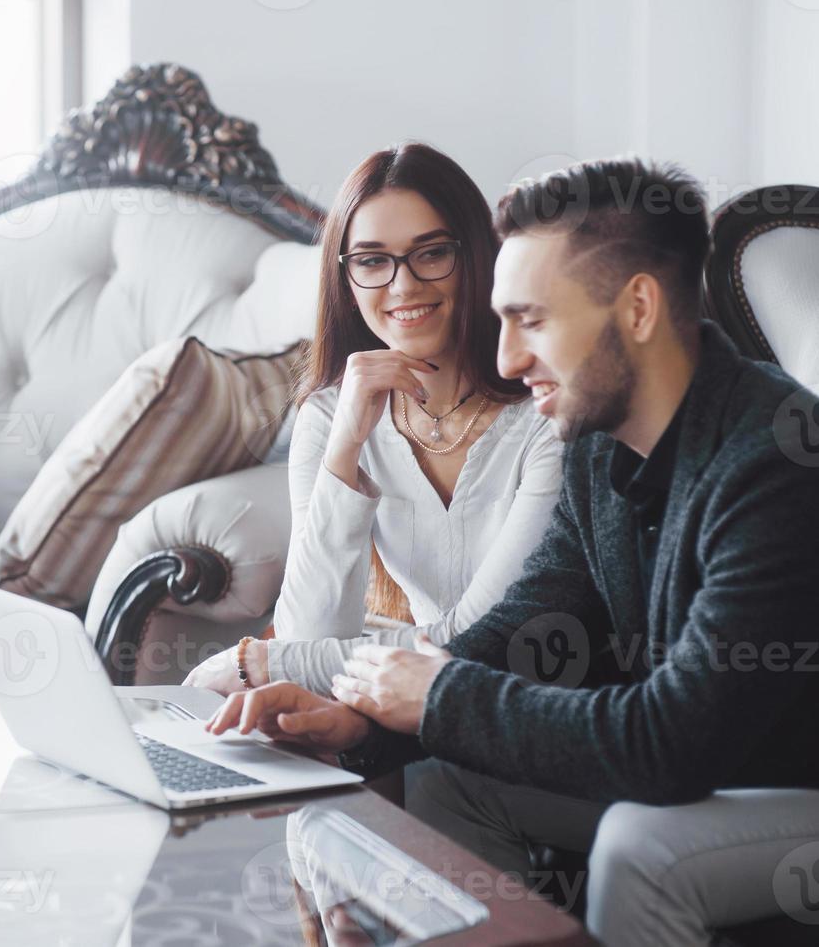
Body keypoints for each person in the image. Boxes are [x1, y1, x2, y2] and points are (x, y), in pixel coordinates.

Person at [204, 158, 819, 945]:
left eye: (532, 320)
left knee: (646, 850)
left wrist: (434, 697)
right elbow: (524, 629)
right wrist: (361, 724)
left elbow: (672, 745)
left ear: (636, 307)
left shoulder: (773, 463)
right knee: (445, 782)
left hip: (787, 787)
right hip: (712, 775)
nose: (505, 359)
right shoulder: (601, 444)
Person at [185, 142, 562, 694]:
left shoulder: (545, 416)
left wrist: (264, 663)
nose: (403, 285)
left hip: (523, 707)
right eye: (371, 261)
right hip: (396, 703)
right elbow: (309, 632)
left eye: (432, 253)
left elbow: (478, 639)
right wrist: (344, 451)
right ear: (345, 276)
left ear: (476, 255)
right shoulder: (328, 416)